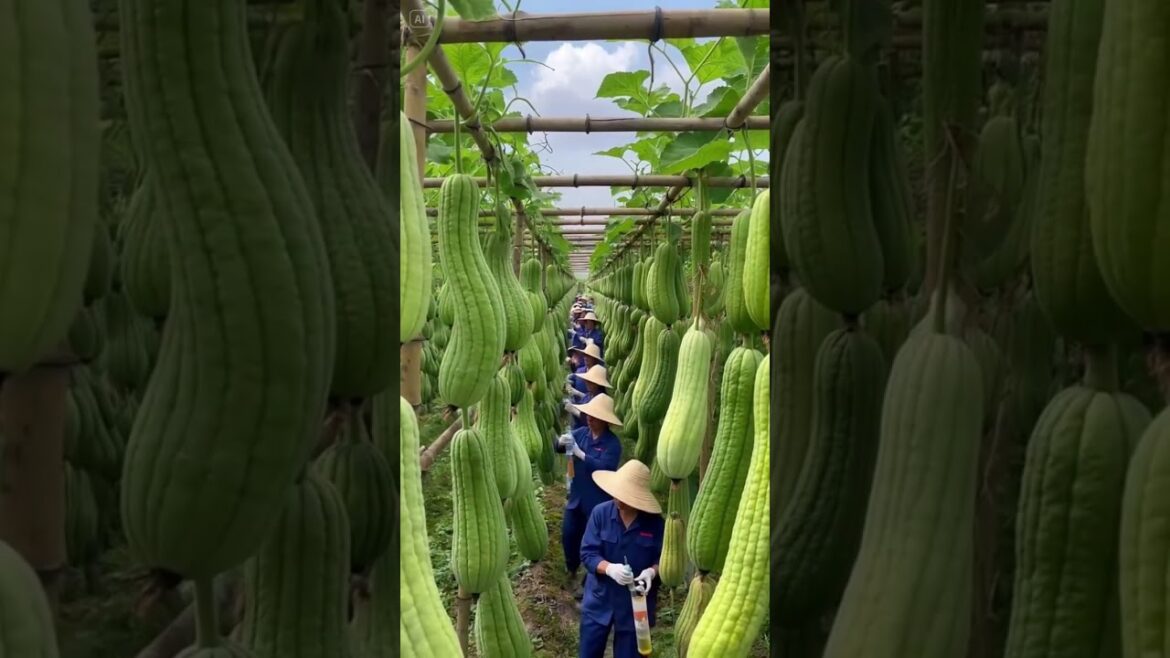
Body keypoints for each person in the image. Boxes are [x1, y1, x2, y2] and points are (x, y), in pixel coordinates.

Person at [577, 459, 664, 658]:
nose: (619, 499)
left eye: (626, 496)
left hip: (636, 605)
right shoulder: (601, 513)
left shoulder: (655, 525)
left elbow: (663, 560)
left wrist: (652, 572)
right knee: (588, 652)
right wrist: (609, 569)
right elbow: (588, 553)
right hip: (600, 599)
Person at [554, 393, 623, 600]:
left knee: (592, 541)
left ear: (605, 420)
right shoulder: (581, 433)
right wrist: (560, 442)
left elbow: (606, 467)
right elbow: (558, 448)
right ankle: (572, 571)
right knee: (569, 535)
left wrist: (581, 454)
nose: (590, 418)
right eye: (589, 414)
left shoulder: (612, 444)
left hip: (597, 500)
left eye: (595, 416)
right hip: (576, 497)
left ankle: (588, 581)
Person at [566, 365, 611, 431]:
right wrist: (577, 394)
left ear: (598, 383)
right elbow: (586, 401)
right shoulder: (591, 393)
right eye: (587, 380)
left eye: (590, 381)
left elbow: (591, 421)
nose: (586, 383)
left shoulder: (600, 400)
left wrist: (574, 410)